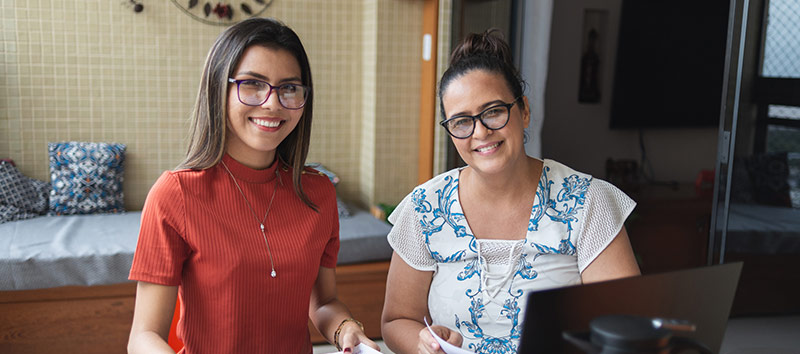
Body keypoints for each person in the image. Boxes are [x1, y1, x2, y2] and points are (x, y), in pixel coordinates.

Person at [380, 29, 640, 354]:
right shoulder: (425, 208)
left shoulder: (586, 201)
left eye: (493, 111)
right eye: (461, 121)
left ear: (524, 111)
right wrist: (425, 346)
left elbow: (626, 328)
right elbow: (396, 320)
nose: (481, 132)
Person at [127, 18, 378, 354]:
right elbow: (143, 336)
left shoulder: (319, 193)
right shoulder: (176, 194)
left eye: (289, 87)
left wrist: (347, 330)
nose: (272, 103)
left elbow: (324, 303)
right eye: (253, 84)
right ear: (219, 87)